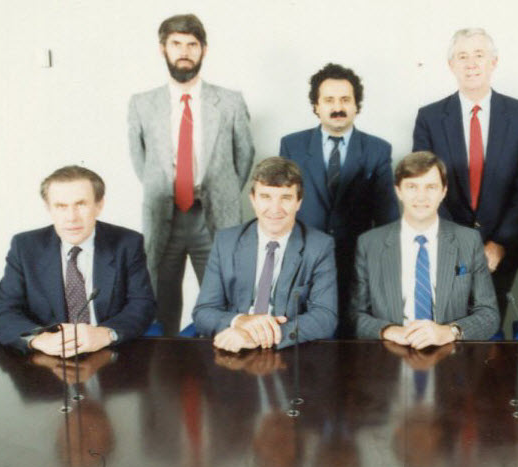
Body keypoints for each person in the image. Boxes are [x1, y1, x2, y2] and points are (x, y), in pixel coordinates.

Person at [128, 13, 255, 335]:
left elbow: (244, 156)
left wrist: (219, 191)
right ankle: (165, 379)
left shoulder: (229, 102)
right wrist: (169, 190)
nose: (184, 51)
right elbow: (141, 161)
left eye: (192, 45)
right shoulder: (142, 104)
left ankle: (223, 380)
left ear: (204, 50)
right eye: (176, 44)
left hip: (214, 214)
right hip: (164, 214)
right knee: (162, 304)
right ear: (163, 49)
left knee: (224, 302)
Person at [413, 28, 518, 317]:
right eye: (462, 56)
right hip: (446, 247)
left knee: (492, 334)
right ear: (451, 65)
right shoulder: (430, 118)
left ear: (493, 62)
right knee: (447, 336)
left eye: (479, 55)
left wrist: (499, 243)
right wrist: (458, 245)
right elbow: (425, 187)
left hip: (501, 250)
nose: (471, 64)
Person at [280, 63, 398, 335]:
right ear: (315, 106)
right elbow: (284, 207)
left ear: (357, 105)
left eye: (346, 99)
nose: (338, 107)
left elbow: (387, 217)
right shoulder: (292, 146)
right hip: (304, 261)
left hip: (357, 263)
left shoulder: (378, 149)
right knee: (309, 337)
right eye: (329, 100)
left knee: (352, 337)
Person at [0, 166, 155, 355]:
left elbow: (143, 304)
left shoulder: (127, 243)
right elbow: (3, 313)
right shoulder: (25, 247)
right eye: (61, 206)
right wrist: (39, 340)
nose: (71, 217)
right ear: (48, 209)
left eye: (81, 204)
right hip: (47, 358)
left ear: (99, 205)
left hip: (108, 354)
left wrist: (106, 334)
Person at [352, 151, 498, 348]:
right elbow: (355, 316)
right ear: (398, 191)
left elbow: (489, 314)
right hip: (391, 352)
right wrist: (389, 331)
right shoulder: (370, 243)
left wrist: (449, 332)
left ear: (443, 191)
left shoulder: (468, 240)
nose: (421, 197)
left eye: (431, 187)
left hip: (450, 353)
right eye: (412, 187)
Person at [192, 157, 337, 352]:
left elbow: (325, 317)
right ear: (253, 199)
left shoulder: (319, 246)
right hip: (233, 343)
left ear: (298, 202)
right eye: (266, 197)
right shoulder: (226, 242)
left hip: (288, 351)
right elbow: (204, 312)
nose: (275, 209)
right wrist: (241, 322)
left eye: (285, 198)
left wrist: (259, 335)